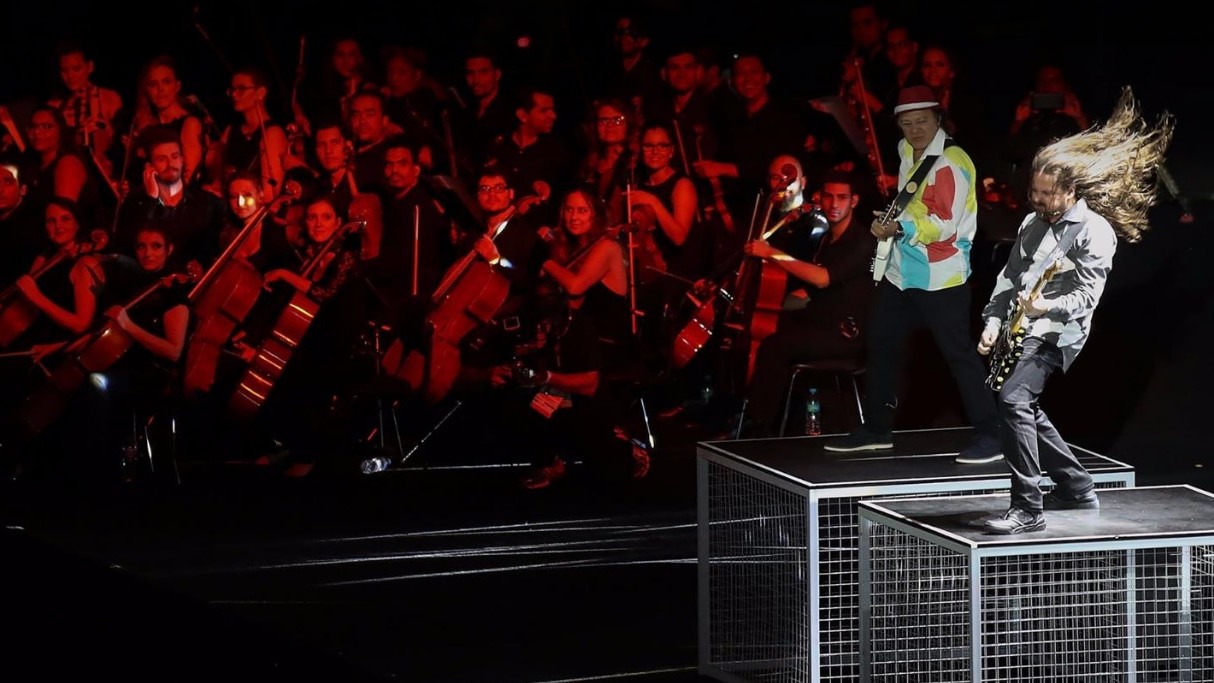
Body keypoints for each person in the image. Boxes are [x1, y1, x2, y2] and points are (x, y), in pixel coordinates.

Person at [979, 87, 1173, 534]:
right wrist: (992, 320)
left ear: (1070, 191)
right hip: (1020, 326)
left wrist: (1046, 304)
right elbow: (1010, 277)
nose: (1037, 199)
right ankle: (1075, 485)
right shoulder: (1031, 223)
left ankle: (1027, 507)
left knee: (1012, 399)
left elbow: (1087, 296)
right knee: (1024, 406)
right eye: (1033, 191)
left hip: (1058, 332)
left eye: (1046, 194)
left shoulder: (1094, 232)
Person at [824, 85, 1001, 463]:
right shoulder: (906, 150)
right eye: (907, 123)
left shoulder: (952, 161)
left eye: (922, 121)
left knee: (958, 355)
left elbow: (945, 223)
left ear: (938, 118)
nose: (915, 130)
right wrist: (891, 221)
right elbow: (914, 203)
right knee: (880, 343)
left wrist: (901, 227)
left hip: (941, 274)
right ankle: (877, 429)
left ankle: (992, 433)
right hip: (901, 271)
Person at [740, 168, 874, 437]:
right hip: (820, 324)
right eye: (829, 197)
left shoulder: (863, 241)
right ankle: (765, 420)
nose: (834, 204)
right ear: (820, 198)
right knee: (764, 333)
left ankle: (759, 427)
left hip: (846, 334)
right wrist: (764, 307)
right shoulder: (825, 240)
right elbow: (808, 294)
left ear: (854, 201)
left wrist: (772, 253)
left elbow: (823, 279)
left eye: (842, 198)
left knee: (776, 346)